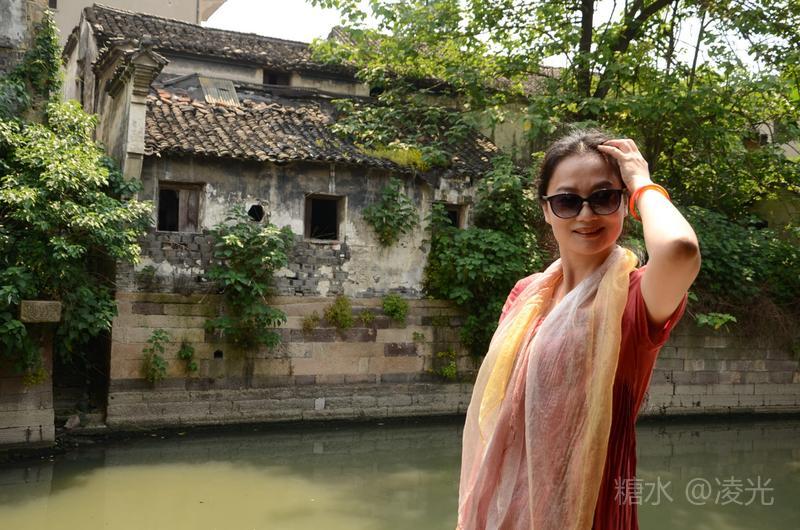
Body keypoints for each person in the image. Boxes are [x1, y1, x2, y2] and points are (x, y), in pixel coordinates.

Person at [456, 129, 701, 530]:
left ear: (624, 204)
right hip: (505, 510)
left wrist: (641, 180)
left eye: (604, 197)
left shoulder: (634, 299)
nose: (586, 215)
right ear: (546, 210)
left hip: (593, 509)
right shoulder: (525, 297)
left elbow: (680, 250)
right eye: (567, 201)